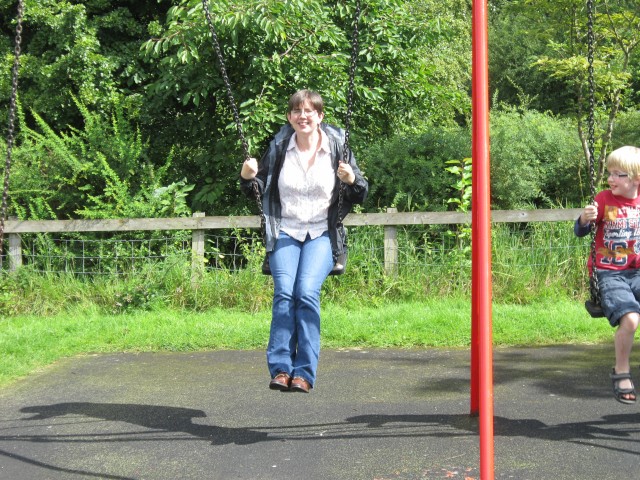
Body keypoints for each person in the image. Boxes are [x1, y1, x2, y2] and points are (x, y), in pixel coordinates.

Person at [240, 90, 368, 393]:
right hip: (285, 231)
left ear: (320, 116)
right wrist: (247, 177)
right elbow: (258, 187)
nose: (303, 116)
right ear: (289, 117)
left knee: (306, 292)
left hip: (322, 233)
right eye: (297, 111)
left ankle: (304, 373)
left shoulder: (337, 146)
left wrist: (351, 180)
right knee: (285, 293)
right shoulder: (280, 147)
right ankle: (281, 369)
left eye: (309, 111)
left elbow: (361, 191)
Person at [574, 145, 640, 404]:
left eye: (618, 174)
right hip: (609, 274)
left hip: (637, 271)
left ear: (636, 178)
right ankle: (621, 370)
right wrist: (584, 218)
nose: (611, 178)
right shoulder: (603, 199)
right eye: (610, 173)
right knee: (631, 319)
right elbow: (581, 232)